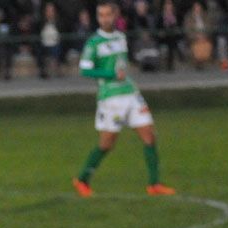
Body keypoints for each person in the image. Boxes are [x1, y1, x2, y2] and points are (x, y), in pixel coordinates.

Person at [72, 1, 176, 198]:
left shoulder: (121, 36)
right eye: (100, 15)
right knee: (106, 144)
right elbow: (85, 69)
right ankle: (82, 179)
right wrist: (110, 74)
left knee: (149, 135)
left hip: (130, 93)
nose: (104, 19)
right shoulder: (94, 42)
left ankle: (154, 184)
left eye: (107, 15)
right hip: (110, 98)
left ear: (115, 15)